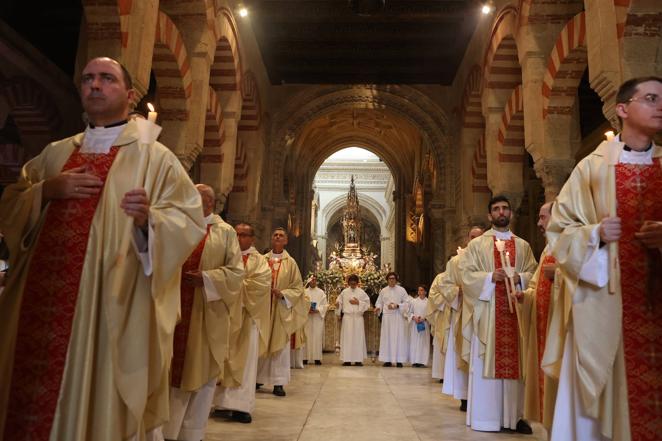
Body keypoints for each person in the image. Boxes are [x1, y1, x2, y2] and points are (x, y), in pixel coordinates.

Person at [0, 57, 206, 441]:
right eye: (88, 78)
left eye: (107, 79)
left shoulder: (157, 159)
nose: (95, 85)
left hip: (105, 309)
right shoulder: (54, 154)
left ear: (129, 95)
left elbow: (188, 223)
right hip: (39, 301)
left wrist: (149, 221)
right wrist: (46, 191)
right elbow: (10, 205)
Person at [546, 77, 662, 441]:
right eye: (651, 98)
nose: (660, 106)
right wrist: (594, 234)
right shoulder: (590, 169)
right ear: (623, 109)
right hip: (608, 301)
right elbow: (559, 231)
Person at [162, 184, 243, 441]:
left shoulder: (225, 233)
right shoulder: (178, 226)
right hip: (173, 311)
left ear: (209, 203)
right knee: (169, 372)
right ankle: (165, 432)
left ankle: (191, 434)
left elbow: (236, 272)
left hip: (205, 314)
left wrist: (207, 279)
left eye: (193, 198)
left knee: (202, 371)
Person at [459, 195, 537, 434]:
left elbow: (534, 273)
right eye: (496, 209)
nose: (501, 212)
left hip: (516, 314)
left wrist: (519, 278)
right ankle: (487, 417)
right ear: (490, 215)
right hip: (488, 315)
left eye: (505, 208)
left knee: (518, 363)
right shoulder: (477, 245)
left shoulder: (523, 245)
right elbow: (466, 275)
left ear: (511, 214)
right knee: (488, 361)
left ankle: (515, 417)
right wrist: (490, 277)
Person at [213, 222, 271, 424]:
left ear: (252, 238)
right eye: (236, 234)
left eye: (244, 235)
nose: (238, 238)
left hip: (246, 316)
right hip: (224, 315)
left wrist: (230, 284)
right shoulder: (225, 256)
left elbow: (261, 284)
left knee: (244, 363)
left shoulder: (259, 261)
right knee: (221, 357)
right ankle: (220, 403)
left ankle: (241, 406)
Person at [516, 202, 562, 429]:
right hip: (544, 326)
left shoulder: (572, 244)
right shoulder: (547, 250)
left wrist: (560, 275)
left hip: (561, 329)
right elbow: (536, 284)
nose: (539, 223)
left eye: (543, 218)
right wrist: (526, 296)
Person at [434, 226, 484, 412]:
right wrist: (458, 291)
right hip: (462, 314)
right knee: (464, 352)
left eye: (479, 237)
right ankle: (464, 396)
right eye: (472, 237)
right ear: (467, 238)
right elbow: (445, 284)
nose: (475, 241)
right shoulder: (455, 262)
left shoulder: (489, 261)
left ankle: (481, 394)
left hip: (485, 314)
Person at [256, 228, 307, 397]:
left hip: (280, 309)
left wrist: (283, 294)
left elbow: (298, 287)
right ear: (271, 239)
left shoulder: (290, 263)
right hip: (263, 309)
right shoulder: (261, 260)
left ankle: (279, 382)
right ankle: (258, 378)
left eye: (281, 235)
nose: (277, 237)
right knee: (261, 341)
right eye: (275, 235)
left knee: (280, 346)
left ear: (286, 241)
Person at [375, 272, 409, 367]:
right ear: (387, 280)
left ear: (396, 279)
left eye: (393, 278)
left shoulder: (402, 290)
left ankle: (399, 360)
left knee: (399, 337)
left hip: (398, 317)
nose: (391, 280)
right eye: (390, 278)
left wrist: (397, 305)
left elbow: (407, 303)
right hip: (387, 318)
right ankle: (387, 360)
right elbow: (379, 302)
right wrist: (378, 308)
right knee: (387, 338)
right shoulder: (383, 291)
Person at [336, 274, 370, 366]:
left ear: (357, 283)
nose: (353, 284)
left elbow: (367, 304)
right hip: (348, 318)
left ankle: (358, 360)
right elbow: (339, 302)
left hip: (358, 318)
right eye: (351, 282)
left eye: (354, 283)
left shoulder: (362, 292)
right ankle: (347, 359)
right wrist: (338, 308)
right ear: (348, 283)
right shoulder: (344, 292)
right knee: (347, 338)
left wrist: (358, 302)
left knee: (358, 338)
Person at [303, 275, 328, 365]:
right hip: (307, 318)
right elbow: (300, 303)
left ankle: (317, 358)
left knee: (317, 337)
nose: (313, 282)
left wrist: (318, 309)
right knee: (306, 336)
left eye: (315, 280)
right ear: (309, 281)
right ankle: (305, 358)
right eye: (312, 280)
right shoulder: (304, 292)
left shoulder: (321, 292)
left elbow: (325, 305)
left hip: (317, 317)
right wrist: (307, 309)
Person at [408, 285, 430, 367]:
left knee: (423, 343)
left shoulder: (429, 302)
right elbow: (409, 312)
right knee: (415, 342)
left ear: (425, 292)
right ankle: (415, 361)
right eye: (419, 290)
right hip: (415, 324)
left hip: (424, 325)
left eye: (422, 290)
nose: (420, 292)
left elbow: (431, 314)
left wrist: (424, 318)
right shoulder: (413, 301)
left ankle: (422, 361)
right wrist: (414, 317)